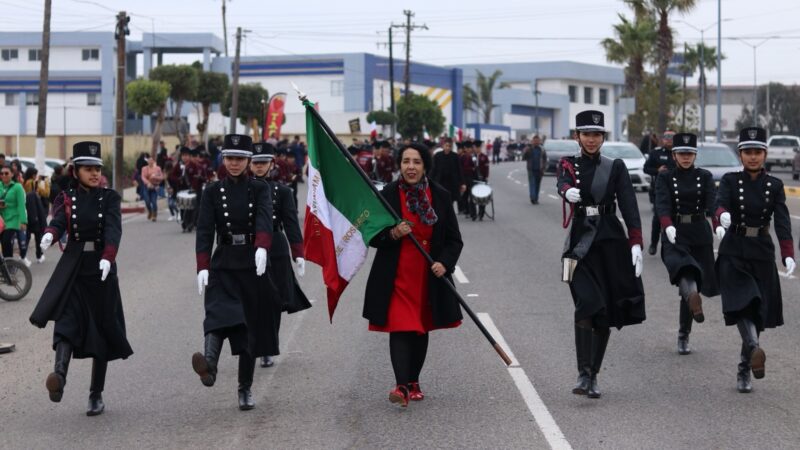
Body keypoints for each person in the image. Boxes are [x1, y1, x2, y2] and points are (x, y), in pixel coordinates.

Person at [29, 141, 132, 416]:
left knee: (102, 330)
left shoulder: (110, 198)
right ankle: (59, 377)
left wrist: (108, 258)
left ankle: (95, 394)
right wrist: (50, 233)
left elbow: (113, 230)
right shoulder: (66, 196)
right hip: (73, 266)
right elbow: (60, 221)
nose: (95, 174)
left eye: (97, 168)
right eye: (88, 169)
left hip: (100, 269)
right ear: (76, 171)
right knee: (66, 322)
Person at [364, 142, 463, 407]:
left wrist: (445, 263)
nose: (410, 167)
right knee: (400, 325)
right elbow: (373, 235)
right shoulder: (388, 194)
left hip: (427, 274)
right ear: (399, 165)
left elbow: (454, 240)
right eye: (406, 161)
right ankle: (401, 386)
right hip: (395, 274)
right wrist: (393, 234)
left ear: (424, 166)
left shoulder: (440, 195)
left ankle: (414, 380)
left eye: (416, 162)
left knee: (420, 327)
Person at [557, 110, 645, 399]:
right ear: (577, 137)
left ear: (602, 137)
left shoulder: (615, 167)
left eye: (596, 134)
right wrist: (566, 191)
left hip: (610, 243)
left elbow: (629, 205)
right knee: (587, 304)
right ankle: (583, 373)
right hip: (581, 245)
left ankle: (593, 375)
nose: (591, 139)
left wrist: (635, 242)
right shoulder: (568, 164)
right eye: (586, 134)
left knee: (605, 312)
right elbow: (563, 183)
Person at [192, 134, 277, 411]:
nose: (234, 163)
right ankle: (210, 366)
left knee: (248, 327)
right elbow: (205, 230)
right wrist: (202, 266)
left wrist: (263, 246)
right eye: (229, 158)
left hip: (252, 262)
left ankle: (245, 388)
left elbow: (265, 216)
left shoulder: (260, 189)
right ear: (224, 159)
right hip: (224, 261)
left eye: (240, 158)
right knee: (216, 313)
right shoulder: (212, 192)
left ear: (249, 161)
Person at [714, 127, 795, 394]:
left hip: (761, 251)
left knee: (758, 311)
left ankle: (746, 363)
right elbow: (719, 202)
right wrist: (722, 215)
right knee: (743, 304)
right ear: (740, 154)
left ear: (765, 154)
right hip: (734, 250)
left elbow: (782, 222)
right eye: (748, 152)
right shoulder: (729, 180)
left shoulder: (774, 185)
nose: (752, 157)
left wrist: (788, 254)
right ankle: (750, 355)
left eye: (757, 152)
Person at [654, 133, 719, 355]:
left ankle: (684, 331)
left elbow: (713, 203)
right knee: (685, 272)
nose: (686, 157)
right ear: (674, 155)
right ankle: (685, 324)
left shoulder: (705, 176)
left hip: (699, 234)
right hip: (675, 234)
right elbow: (661, 205)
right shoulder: (665, 177)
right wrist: (667, 224)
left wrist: (719, 221)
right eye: (681, 153)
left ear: (695, 155)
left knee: (693, 284)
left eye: (690, 153)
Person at [250, 142, 311, 368]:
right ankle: (253, 344)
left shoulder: (282, 192)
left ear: (271, 164)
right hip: (248, 249)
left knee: (273, 301)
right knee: (252, 301)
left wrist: (299, 254)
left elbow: (291, 224)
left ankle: (268, 347)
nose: (258, 167)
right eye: (255, 162)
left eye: (263, 162)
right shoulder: (241, 189)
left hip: (275, 248)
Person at [644, 131, 677, 255]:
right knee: (658, 218)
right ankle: (653, 243)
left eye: (672, 138)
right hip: (659, 190)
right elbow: (646, 168)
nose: (669, 140)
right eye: (666, 138)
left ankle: (673, 242)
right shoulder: (656, 153)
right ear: (662, 139)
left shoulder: (679, 153)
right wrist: (657, 170)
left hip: (677, 189)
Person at [430, 138, 466, 210]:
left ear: (451, 147)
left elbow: (459, 170)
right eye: (446, 146)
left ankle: (448, 216)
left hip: (452, 184)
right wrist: (430, 180)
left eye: (449, 146)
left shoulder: (455, 156)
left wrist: (463, 183)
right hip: (440, 182)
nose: (448, 148)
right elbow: (433, 169)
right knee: (440, 201)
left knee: (450, 202)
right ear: (443, 146)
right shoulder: (437, 155)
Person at [0, 165, 27, 261]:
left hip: (13, 219)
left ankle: (9, 264)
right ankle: (4, 265)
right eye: (1, 173)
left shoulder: (17, 187)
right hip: (1, 220)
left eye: (6, 173)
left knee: (6, 241)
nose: (4, 175)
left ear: (11, 174)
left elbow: (21, 205)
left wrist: (23, 221)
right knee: (3, 243)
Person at [141, 156, 164, 222]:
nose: (150, 161)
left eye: (152, 160)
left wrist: (155, 177)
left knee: (154, 202)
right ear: (147, 161)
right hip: (146, 187)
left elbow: (161, 177)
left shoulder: (158, 168)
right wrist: (148, 183)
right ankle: (150, 211)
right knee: (147, 201)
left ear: (154, 161)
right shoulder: (144, 168)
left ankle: (154, 215)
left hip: (155, 186)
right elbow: (143, 177)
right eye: (149, 160)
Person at [526, 136, 547, 204]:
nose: (536, 142)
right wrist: (526, 150)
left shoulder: (542, 149)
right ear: (532, 141)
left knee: (537, 185)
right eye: (535, 141)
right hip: (531, 170)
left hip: (539, 170)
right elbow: (524, 157)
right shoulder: (529, 149)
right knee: (532, 184)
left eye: (537, 141)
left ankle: (536, 198)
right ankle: (533, 198)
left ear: (539, 141)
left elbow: (545, 159)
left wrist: (544, 168)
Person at [459, 141, 477, 218]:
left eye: (470, 148)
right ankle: (467, 210)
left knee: (472, 195)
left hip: (472, 178)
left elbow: (475, 167)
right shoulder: (462, 157)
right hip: (464, 178)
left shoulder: (474, 156)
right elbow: (461, 169)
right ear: (465, 149)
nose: (470, 149)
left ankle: (473, 213)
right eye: (468, 148)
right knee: (465, 196)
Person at [474, 140, 491, 220]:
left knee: (482, 196)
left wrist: (486, 176)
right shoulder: (472, 156)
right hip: (474, 178)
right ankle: (475, 212)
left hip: (482, 178)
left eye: (478, 147)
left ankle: (481, 212)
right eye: (476, 148)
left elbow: (487, 168)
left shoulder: (484, 157)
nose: (477, 149)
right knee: (475, 195)